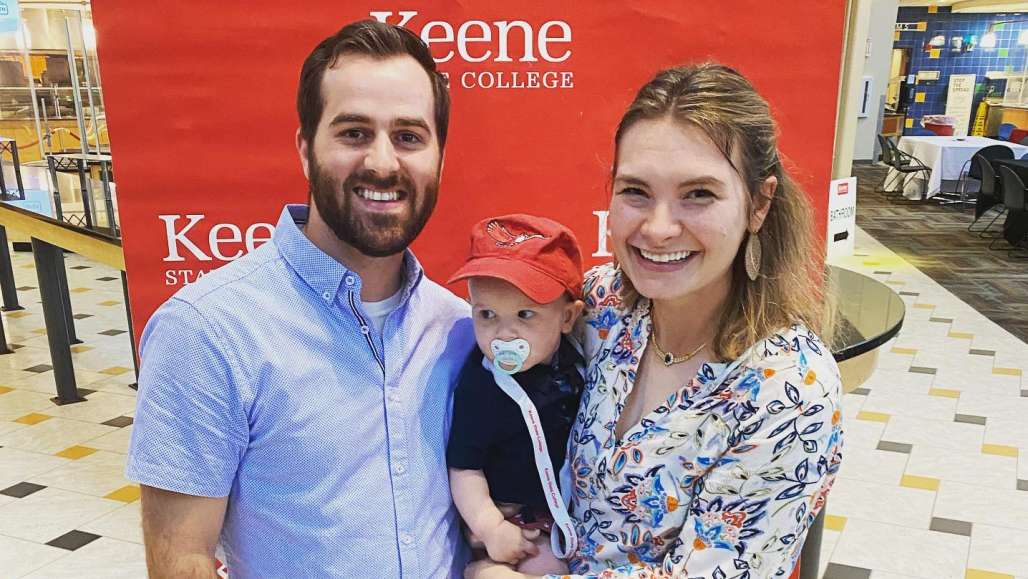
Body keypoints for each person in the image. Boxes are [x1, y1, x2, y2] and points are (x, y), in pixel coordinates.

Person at [126, 20, 476, 579]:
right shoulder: (207, 331)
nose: (384, 163)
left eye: (409, 136)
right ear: (305, 149)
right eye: (354, 132)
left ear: (440, 158)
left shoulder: (460, 328)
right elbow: (182, 561)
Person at [466, 63, 843, 579]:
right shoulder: (600, 307)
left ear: (758, 204)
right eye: (636, 191)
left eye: (699, 194)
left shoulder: (788, 391)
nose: (659, 228)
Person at [446, 215, 586, 575]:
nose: (504, 334)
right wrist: (490, 527)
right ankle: (481, 571)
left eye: (525, 315)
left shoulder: (578, 362)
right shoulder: (482, 385)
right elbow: (465, 467)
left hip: (568, 520)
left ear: (568, 318)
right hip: (516, 527)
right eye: (487, 314)